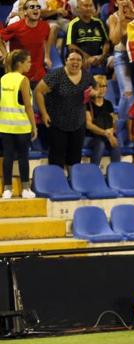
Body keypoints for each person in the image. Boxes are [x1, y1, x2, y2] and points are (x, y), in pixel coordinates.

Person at [35, 50, 95, 169]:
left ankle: (74, 183)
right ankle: (57, 184)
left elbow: (96, 88)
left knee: (75, 158)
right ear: (66, 61)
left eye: (78, 60)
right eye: (72, 59)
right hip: (57, 123)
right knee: (57, 158)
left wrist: (95, 92)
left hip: (78, 123)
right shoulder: (56, 75)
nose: (75, 62)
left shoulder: (87, 75)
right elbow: (38, 91)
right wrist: (44, 113)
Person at [0, 50, 37, 199]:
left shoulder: (2, 79)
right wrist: (34, 126)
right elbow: (28, 106)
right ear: (20, 63)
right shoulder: (23, 80)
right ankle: (25, 189)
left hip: (4, 126)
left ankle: (7, 189)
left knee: (8, 157)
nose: (30, 64)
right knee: (23, 157)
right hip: (22, 127)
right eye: (28, 61)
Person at [0, 0, 51, 86]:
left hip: (39, 74)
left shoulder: (45, 26)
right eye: (32, 7)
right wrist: (6, 55)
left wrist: (47, 56)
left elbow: (46, 39)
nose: (36, 9)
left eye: (38, 7)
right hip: (20, 75)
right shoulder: (15, 27)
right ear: (25, 12)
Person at [108, 0, 134, 121]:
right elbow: (114, 40)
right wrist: (121, 20)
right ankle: (121, 126)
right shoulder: (113, 17)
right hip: (121, 56)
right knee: (127, 93)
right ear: (116, 3)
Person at [85, 75, 121, 165]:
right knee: (100, 144)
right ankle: (94, 171)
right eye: (100, 86)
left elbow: (113, 123)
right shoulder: (87, 104)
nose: (103, 89)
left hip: (106, 135)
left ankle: (116, 173)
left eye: (105, 86)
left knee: (116, 144)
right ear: (93, 88)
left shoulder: (108, 104)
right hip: (90, 137)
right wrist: (106, 133)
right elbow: (88, 125)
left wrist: (111, 133)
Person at [66, 0, 109, 74]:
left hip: (100, 59)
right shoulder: (73, 24)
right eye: (85, 6)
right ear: (78, 8)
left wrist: (102, 56)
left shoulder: (99, 22)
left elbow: (106, 42)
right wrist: (87, 57)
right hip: (82, 60)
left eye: (90, 5)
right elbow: (71, 46)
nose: (89, 8)